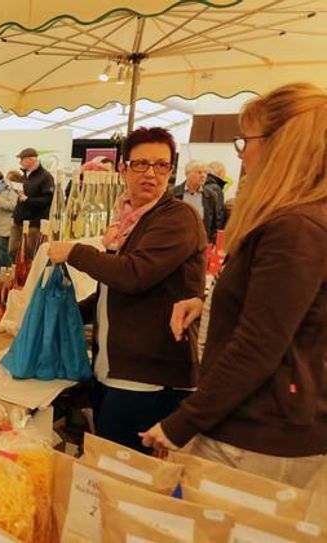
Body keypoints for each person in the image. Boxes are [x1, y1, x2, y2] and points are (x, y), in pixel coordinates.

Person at [141, 83, 327, 489]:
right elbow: (282, 308)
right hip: (258, 426)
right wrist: (207, 303)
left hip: (258, 437)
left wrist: (180, 424)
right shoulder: (298, 221)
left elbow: (259, 345)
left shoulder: (296, 228)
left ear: (283, 144)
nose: (242, 153)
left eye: (247, 140)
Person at [48, 127, 207, 453]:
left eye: (161, 165)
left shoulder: (178, 218)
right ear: (123, 169)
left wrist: (75, 252)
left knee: (122, 475)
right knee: (108, 466)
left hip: (148, 378)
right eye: (141, 164)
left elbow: (135, 275)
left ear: (171, 170)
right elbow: (113, 290)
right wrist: (70, 312)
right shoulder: (127, 221)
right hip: (115, 368)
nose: (151, 174)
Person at [9, 147, 54, 260]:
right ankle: (17, 275)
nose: (20, 162)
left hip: (34, 224)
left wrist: (28, 200)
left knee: (30, 254)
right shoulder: (24, 176)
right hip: (19, 220)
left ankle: (29, 277)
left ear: (30, 159)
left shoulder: (46, 177)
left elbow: (48, 199)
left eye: (21, 159)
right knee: (13, 251)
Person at [172, 160, 224, 243]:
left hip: (200, 242)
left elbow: (216, 223)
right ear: (187, 174)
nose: (203, 176)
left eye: (205, 172)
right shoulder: (173, 194)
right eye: (199, 172)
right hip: (177, 240)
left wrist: (211, 242)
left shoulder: (211, 196)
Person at [0, 170, 18, 268]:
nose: (5, 180)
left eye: (8, 178)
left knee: (2, 247)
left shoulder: (13, 191)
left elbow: (11, 206)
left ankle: (7, 270)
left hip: (6, 225)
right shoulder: (3, 189)